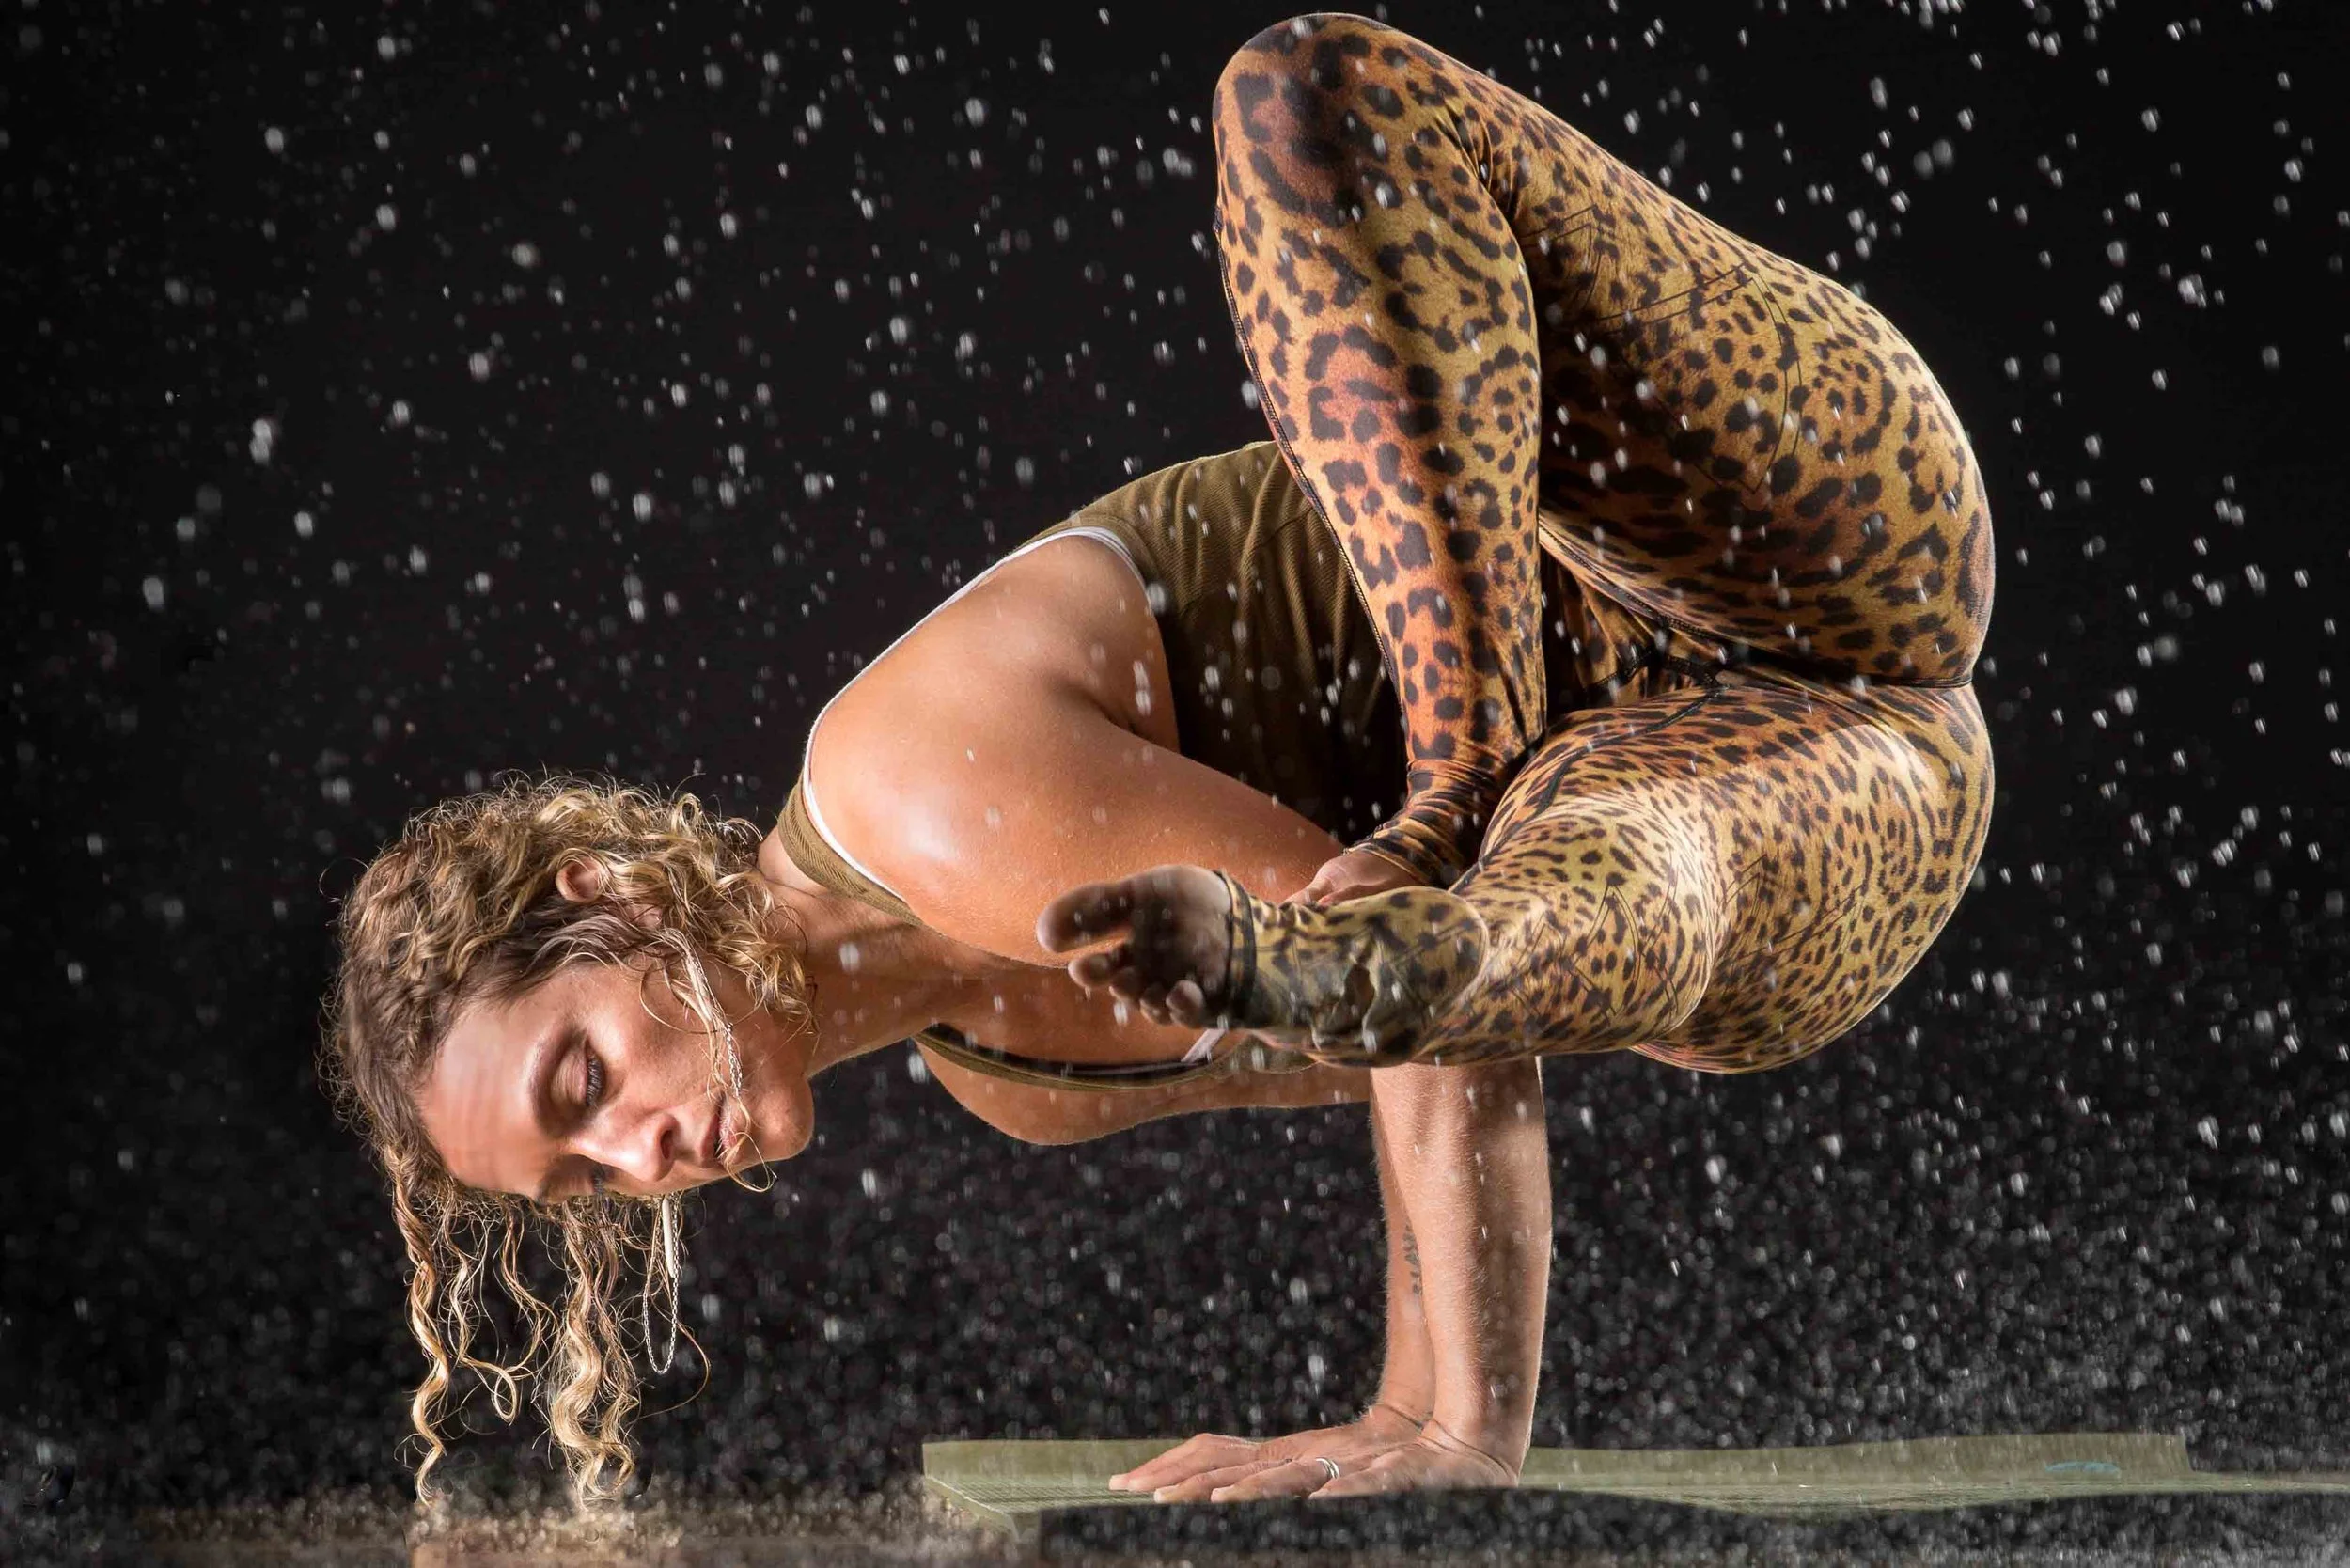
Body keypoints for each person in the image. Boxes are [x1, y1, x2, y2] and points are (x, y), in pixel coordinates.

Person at [322, 12, 1994, 1508]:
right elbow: (1444, 1043)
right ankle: (1484, 832)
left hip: (1755, 525)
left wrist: (1453, 1421)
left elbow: (1414, 1022)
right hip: (1812, 793)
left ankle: (1461, 767)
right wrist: (1414, 1421)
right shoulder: (1015, 1087)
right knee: (1544, 929)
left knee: (1306, 99)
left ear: (608, 898)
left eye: (582, 1083)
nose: (637, 1157)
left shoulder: (904, 787)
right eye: (583, 1177)